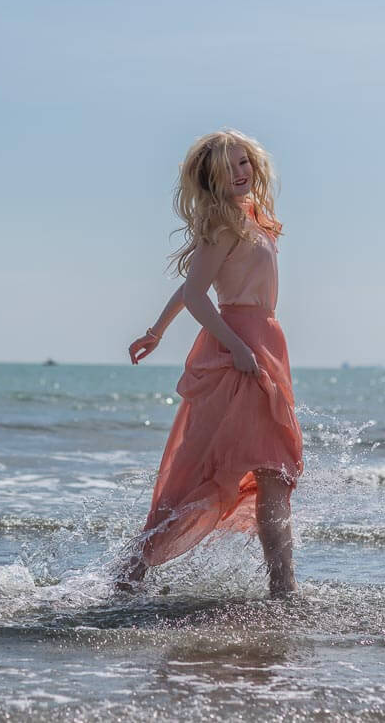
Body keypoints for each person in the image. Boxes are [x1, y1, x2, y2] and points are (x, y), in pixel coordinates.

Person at [119, 129, 304, 598]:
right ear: (212, 181)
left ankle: (283, 587)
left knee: (273, 473)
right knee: (203, 472)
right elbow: (198, 294)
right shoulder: (224, 225)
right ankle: (128, 578)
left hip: (264, 344)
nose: (241, 173)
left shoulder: (252, 218)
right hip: (236, 353)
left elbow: (189, 290)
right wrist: (236, 347)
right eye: (229, 168)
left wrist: (157, 330)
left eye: (244, 163)